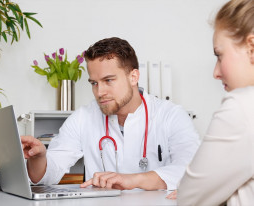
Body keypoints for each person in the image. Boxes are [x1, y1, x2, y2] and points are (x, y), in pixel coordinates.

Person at [21, 37, 199, 191]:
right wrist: (39, 158)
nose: (99, 92)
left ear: (133, 77)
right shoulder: (83, 118)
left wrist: (131, 180)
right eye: (94, 83)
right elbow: (46, 175)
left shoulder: (171, 115)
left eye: (108, 80)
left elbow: (192, 170)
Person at [176, 0, 254, 205]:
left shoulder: (243, 107)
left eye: (219, 55)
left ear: (252, 47)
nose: (216, 73)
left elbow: (189, 198)